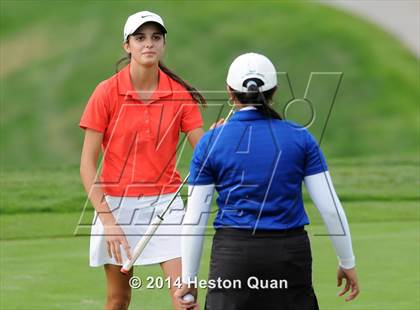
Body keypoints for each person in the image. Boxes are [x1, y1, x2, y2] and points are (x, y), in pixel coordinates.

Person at [175, 53, 360, 309]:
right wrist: (347, 261)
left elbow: (195, 218)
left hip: (233, 257)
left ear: (230, 92)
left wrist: (189, 279)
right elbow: (330, 208)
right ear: (274, 91)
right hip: (289, 256)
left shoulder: (210, 142)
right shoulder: (300, 137)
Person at [79, 11, 206, 310]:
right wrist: (107, 220)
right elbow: (86, 163)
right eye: (140, 38)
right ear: (127, 46)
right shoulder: (106, 92)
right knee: (118, 299)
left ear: (163, 44)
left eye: (155, 37)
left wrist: (219, 139)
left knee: (185, 298)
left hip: (166, 205)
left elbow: (204, 151)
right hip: (116, 206)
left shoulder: (179, 95)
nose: (148, 44)